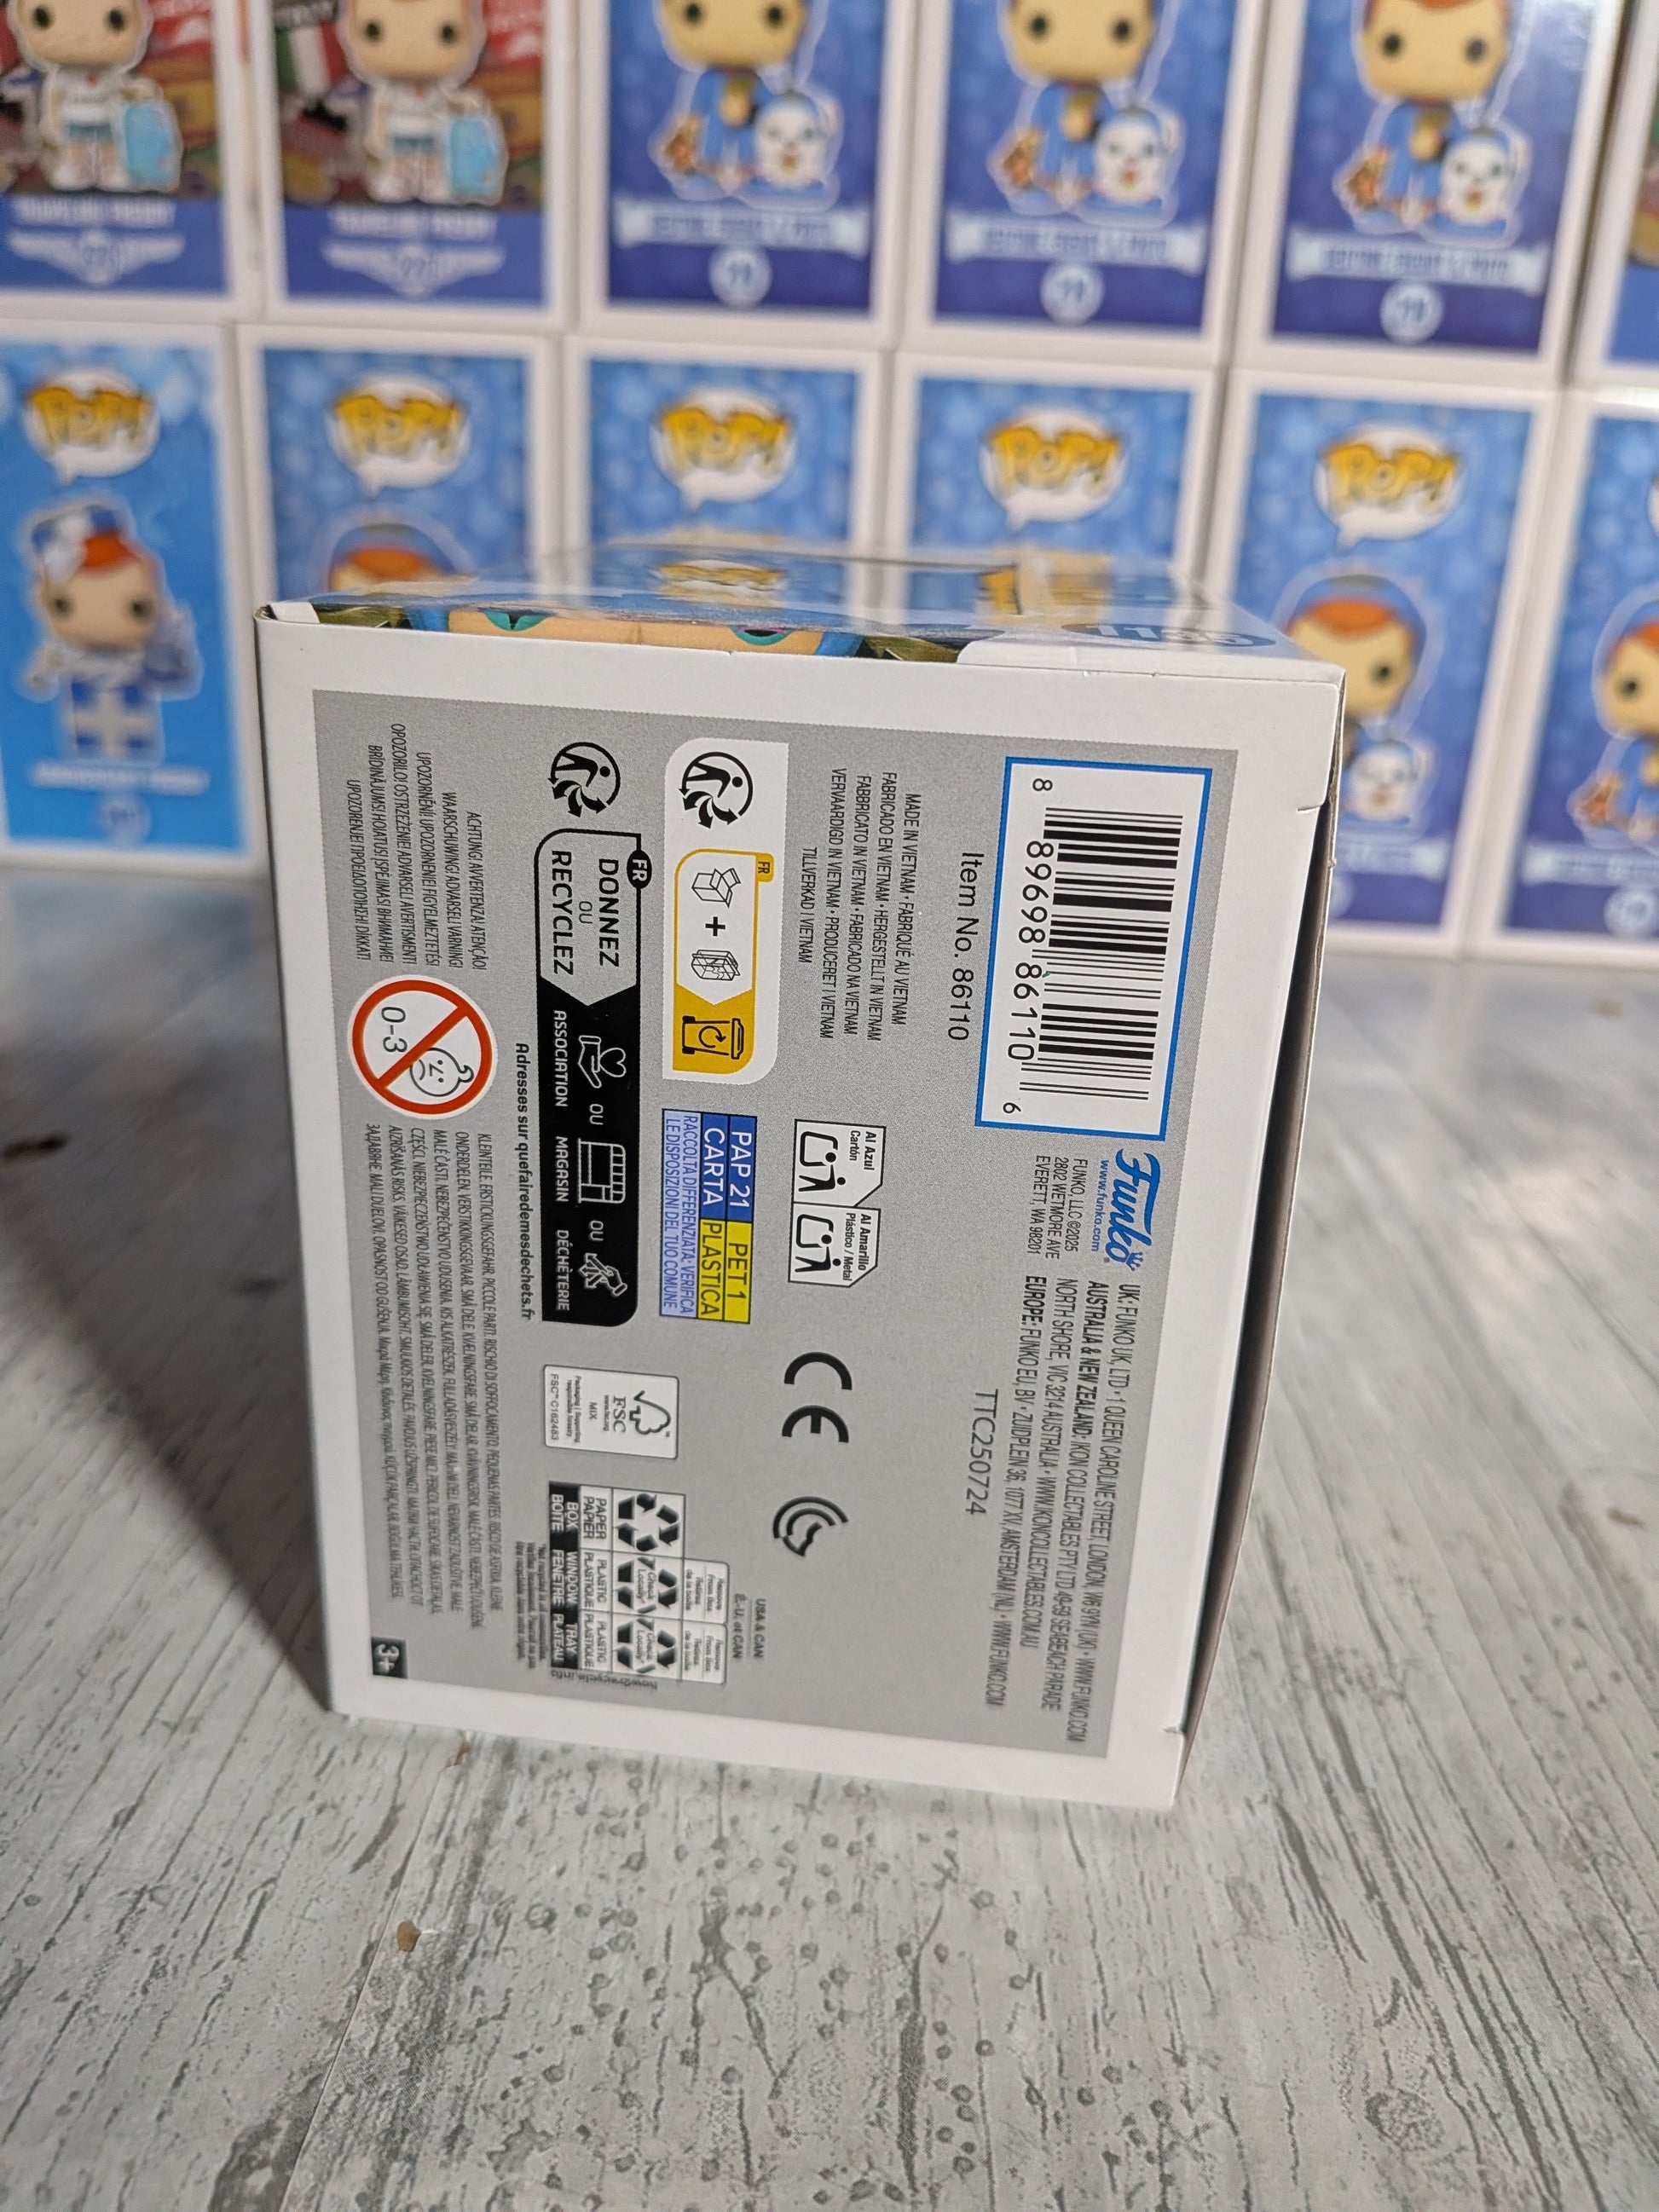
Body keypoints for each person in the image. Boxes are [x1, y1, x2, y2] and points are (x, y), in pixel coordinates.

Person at [20, 500, 197, 762]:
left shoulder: (143, 655)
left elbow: (174, 678)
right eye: (63, 606)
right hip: (82, 732)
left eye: (138, 607)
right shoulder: (67, 654)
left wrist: (167, 646)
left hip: (137, 732)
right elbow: (38, 680)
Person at [1338, 0, 1511, 233]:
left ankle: (1435, 211)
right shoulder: (1400, 114)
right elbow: (1385, 139)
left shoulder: (1449, 116)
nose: (1432, 65)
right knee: (1396, 177)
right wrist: (1377, 156)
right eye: (1393, 44)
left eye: (1474, 49)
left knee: (1437, 181)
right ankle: (1391, 207)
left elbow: (1459, 142)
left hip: (1437, 162)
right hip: (1401, 159)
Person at [338, 0, 506, 205]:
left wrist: (464, 103)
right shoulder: (390, 92)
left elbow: (449, 101)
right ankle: (397, 179)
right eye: (374, 31)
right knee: (400, 161)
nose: (412, 49)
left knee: (431, 162)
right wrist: (376, 135)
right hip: (399, 132)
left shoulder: (436, 90)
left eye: (447, 33)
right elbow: (380, 111)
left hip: (431, 133)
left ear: (473, 30)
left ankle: (432, 181)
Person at [6, 0, 181, 192]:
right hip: (74, 118)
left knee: (108, 149)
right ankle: (75, 170)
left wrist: (139, 90)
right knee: (76, 149)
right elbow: (54, 99)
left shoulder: (110, 75)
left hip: (105, 118)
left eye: (115, 20)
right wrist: (52, 122)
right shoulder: (64, 76)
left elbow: (123, 89)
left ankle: (110, 171)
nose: (82, 36)